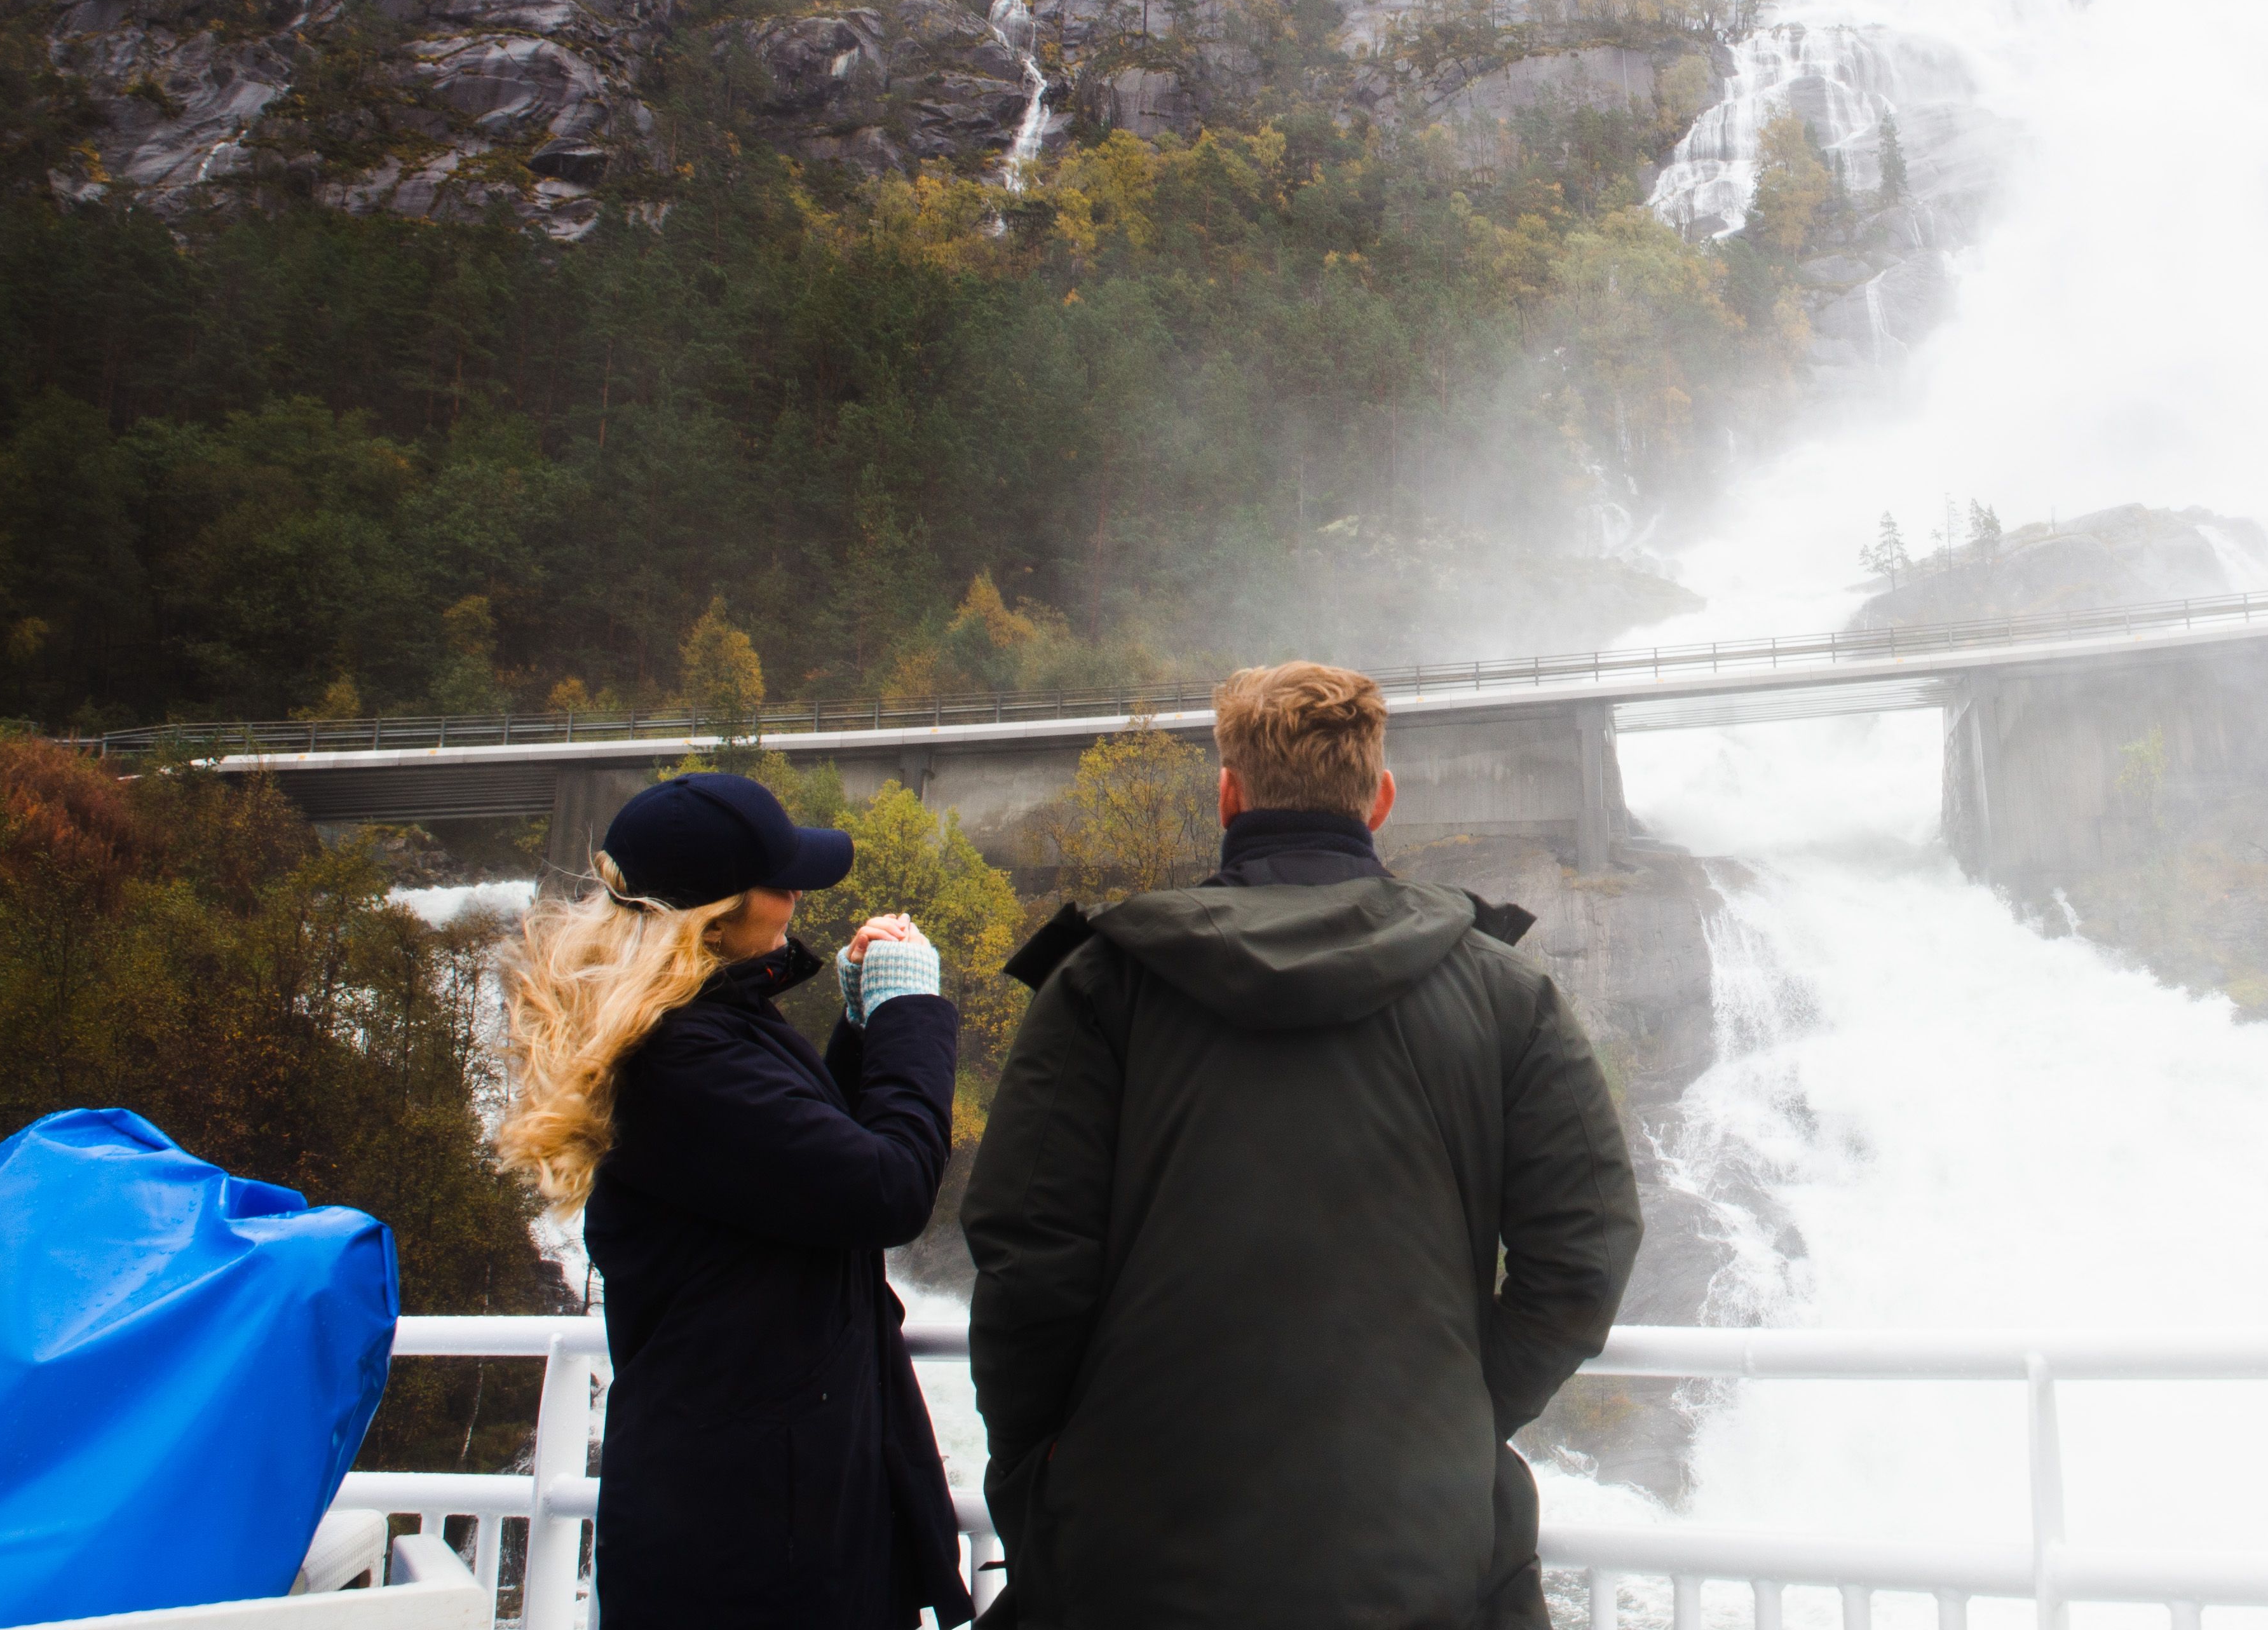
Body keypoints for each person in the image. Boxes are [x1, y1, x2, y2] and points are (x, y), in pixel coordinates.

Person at [963, 663, 1643, 1629]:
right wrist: (1459, 1409)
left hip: (1133, 1545)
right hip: (1418, 1549)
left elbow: (1027, 1256)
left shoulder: (1102, 987)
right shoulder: (1504, 996)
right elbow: (1587, 1250)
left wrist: (1044, 1467)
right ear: (1382, 798)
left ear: (1229, 793)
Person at [498, 770, 974, 1630]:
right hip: (757, 1543)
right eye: (781, 879)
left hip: (762, 1507)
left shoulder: (694, 1027)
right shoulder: (686, 1061)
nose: (798, 894)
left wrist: (862, 1025)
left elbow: (790, 1173)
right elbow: (883, 1188)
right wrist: (910, 1009)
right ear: (716, 913)